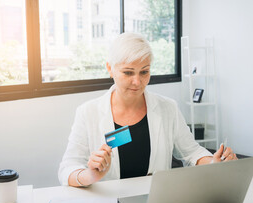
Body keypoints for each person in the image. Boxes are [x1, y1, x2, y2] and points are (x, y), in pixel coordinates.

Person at [58, 32, 238, 187]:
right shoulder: (88, 112)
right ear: (110, 69)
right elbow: (67, 168)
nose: (137, 82)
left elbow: (192, 152)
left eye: (144, 72)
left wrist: (214, 162)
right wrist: (90, 175)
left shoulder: (168, 108)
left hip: (157, 202)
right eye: (128, 72)